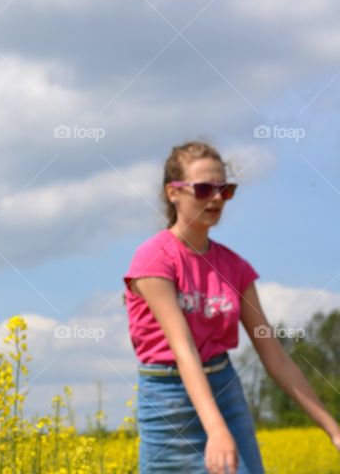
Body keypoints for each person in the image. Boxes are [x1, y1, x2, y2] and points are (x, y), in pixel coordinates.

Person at [122, 141, 340, 473]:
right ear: (172, 192)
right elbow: (184, 351)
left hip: (224, 386)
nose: (215, 198)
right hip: (168, 397)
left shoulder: (235, 267)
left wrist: (333, 430)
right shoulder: (154, 258)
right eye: (204, 188)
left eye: (225, 189)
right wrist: (216, 430)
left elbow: (275, 357)